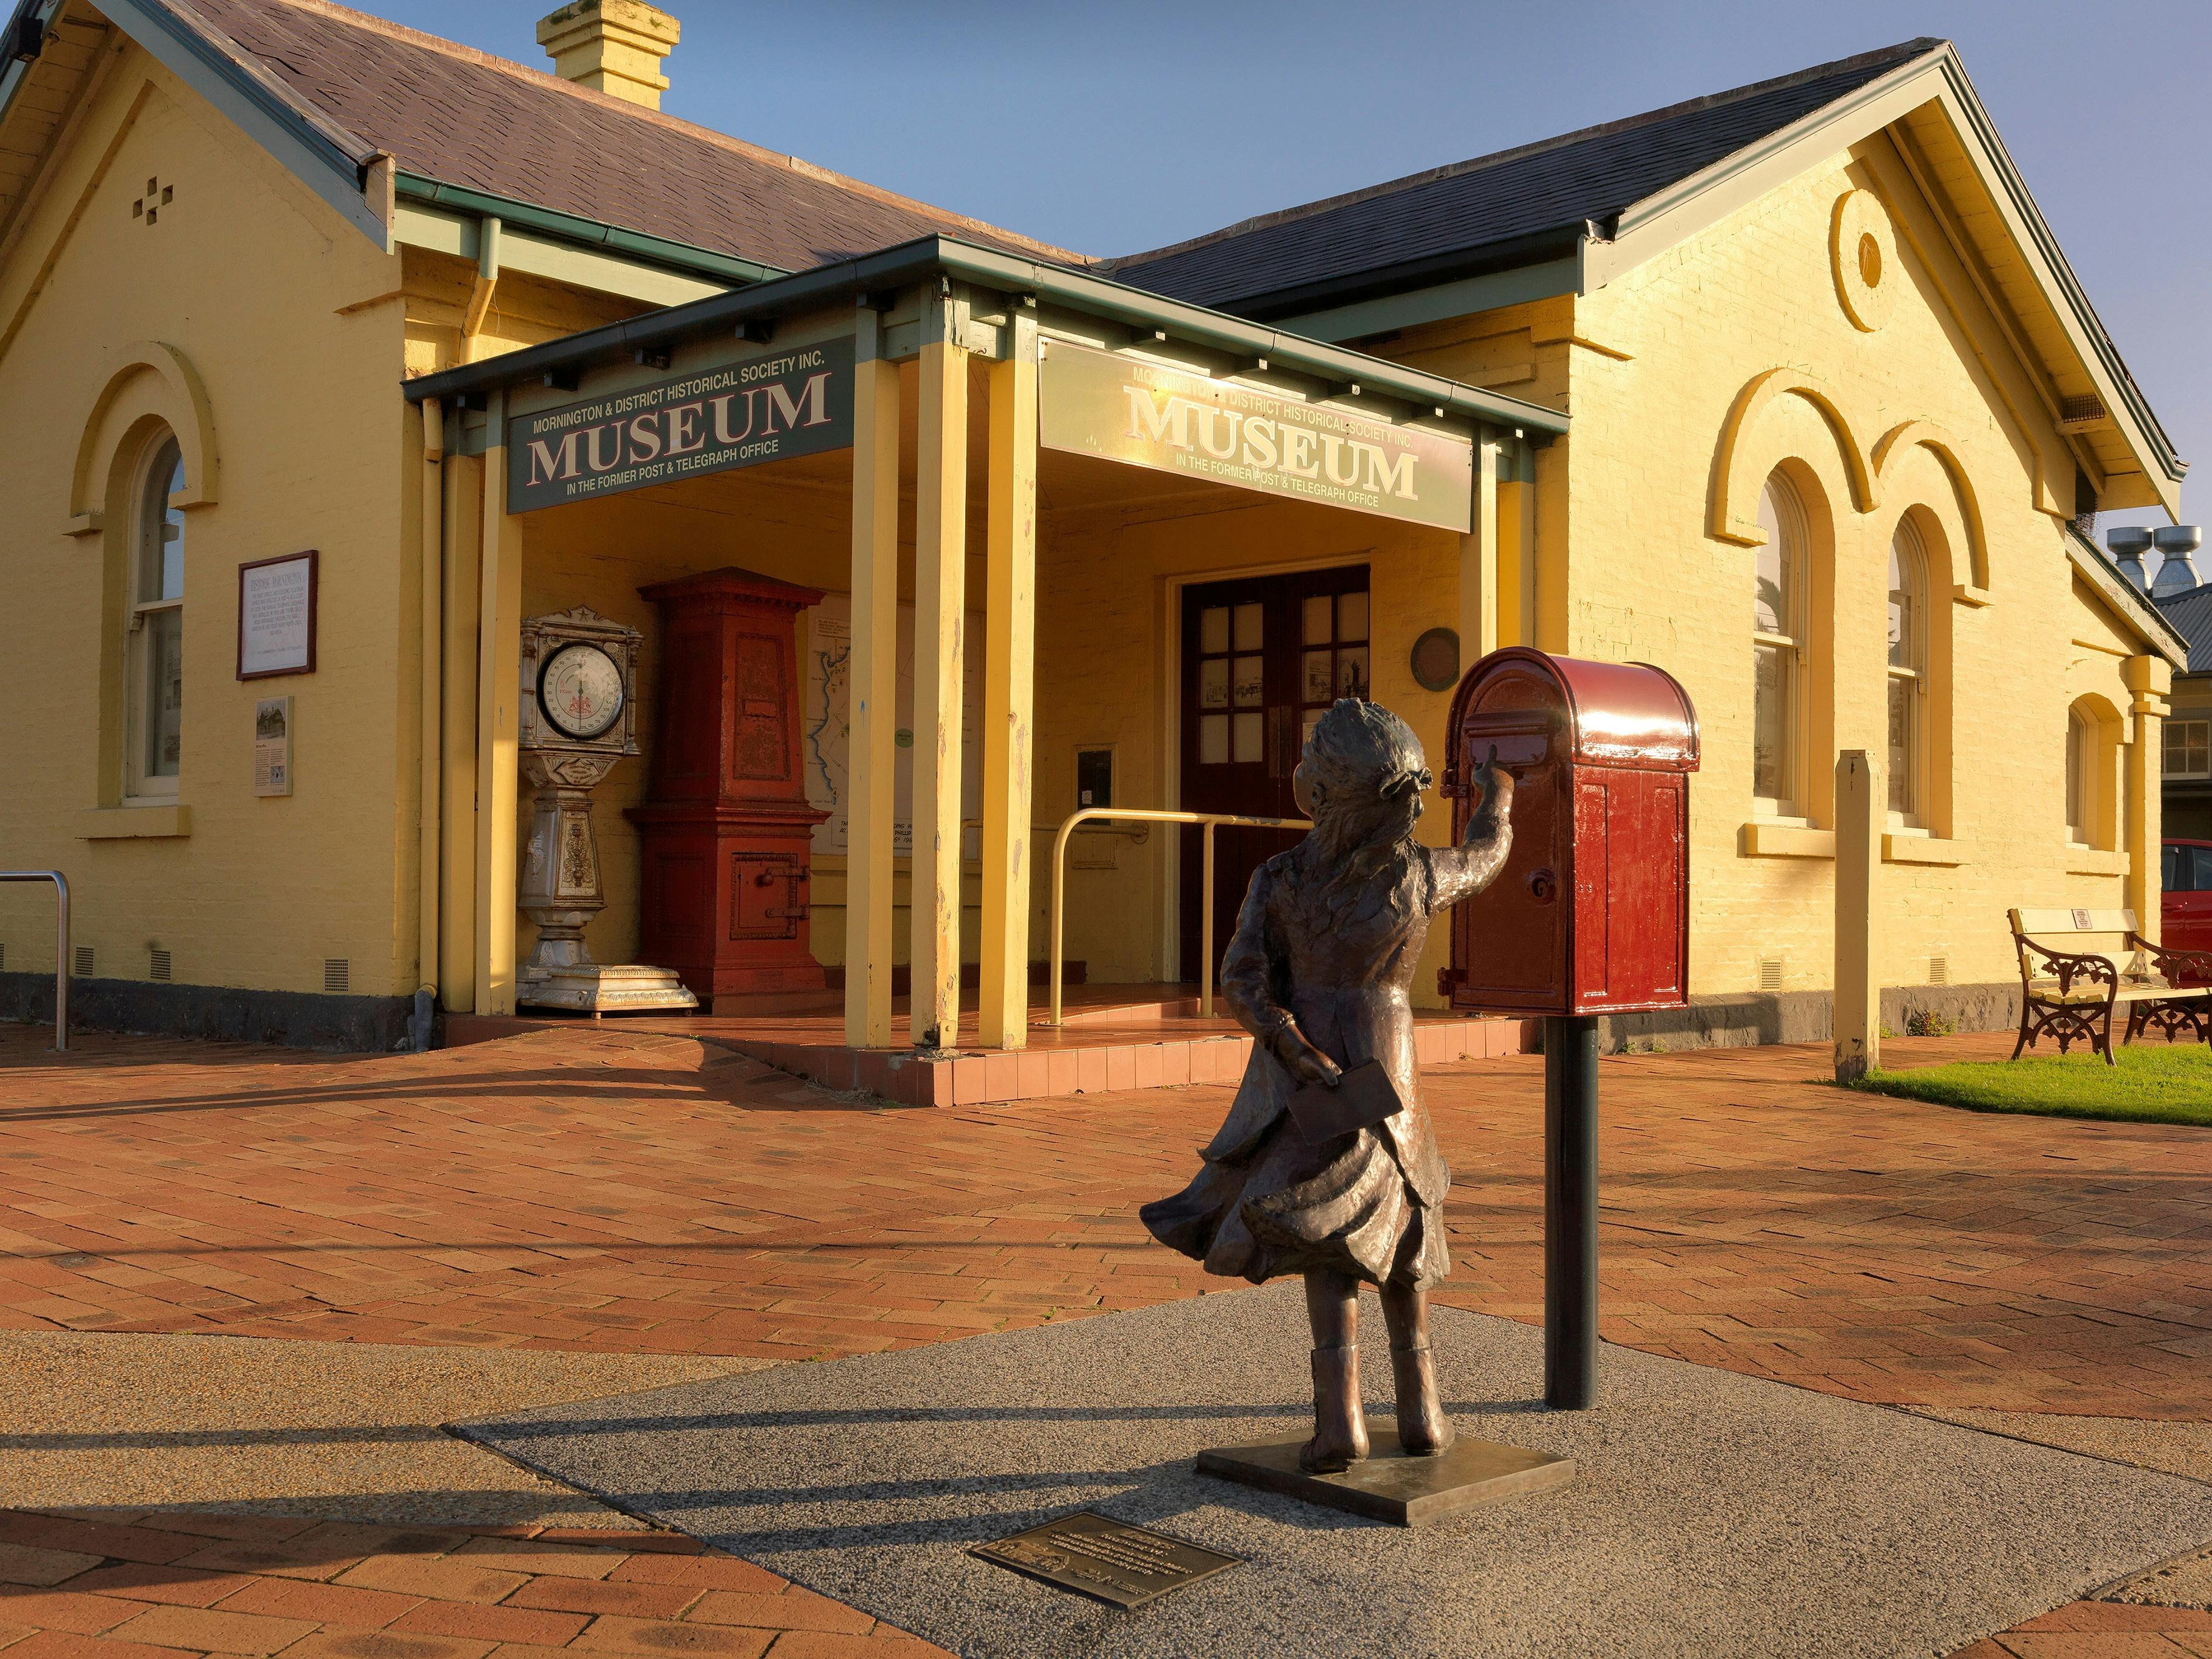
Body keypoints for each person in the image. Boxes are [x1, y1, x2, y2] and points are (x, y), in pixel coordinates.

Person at [1141, 697, 1515, 1473]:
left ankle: (1341, 1421)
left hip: (1311, 1074)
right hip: (1390, 1069)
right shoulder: (1419, 873)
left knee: (1327, 1234)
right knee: (1406, 1226)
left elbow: (1242, 975)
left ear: (1320, 793)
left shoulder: (1280, 878)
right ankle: (1423, 1413)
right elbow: (1486, 854)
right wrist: (1498, 795)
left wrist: (1287, 1038)